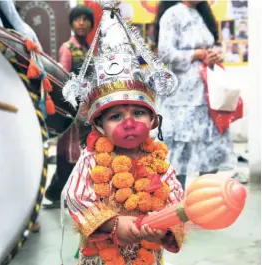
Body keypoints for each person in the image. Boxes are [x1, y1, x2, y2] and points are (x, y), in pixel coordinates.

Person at [60, 4, 184, 265]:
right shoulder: (92, 160)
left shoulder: (160, 164)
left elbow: (176, 199)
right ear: (99, 125)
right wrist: (113, 223)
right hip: (101, 258)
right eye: (116, 116)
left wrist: (164, 227)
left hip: (147, 254)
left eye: (138, 113)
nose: (129, 123)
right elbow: (75, 196)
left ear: (153, 120)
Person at [155, 1, 247, 189]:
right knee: (179, 150)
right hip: (182, 97)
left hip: (207, 94)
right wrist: (197, 54)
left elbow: (211, 44)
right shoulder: (172, 15)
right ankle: (176, 205)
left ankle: (203, 199)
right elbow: (165, 53)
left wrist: (215, 53)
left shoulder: (202, 14)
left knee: (210, 147)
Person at [44, 5, 94, 209]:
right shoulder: (68, 48)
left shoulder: (88, 48)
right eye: (77, 19)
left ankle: (69, 193)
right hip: (74, 110)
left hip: (88, 109)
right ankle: (57, 192)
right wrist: (73, 107)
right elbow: (62, 79)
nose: (81, 23)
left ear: (91, 24)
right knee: (69, 153)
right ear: (72, 23)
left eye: (85, 19)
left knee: (81, 152)